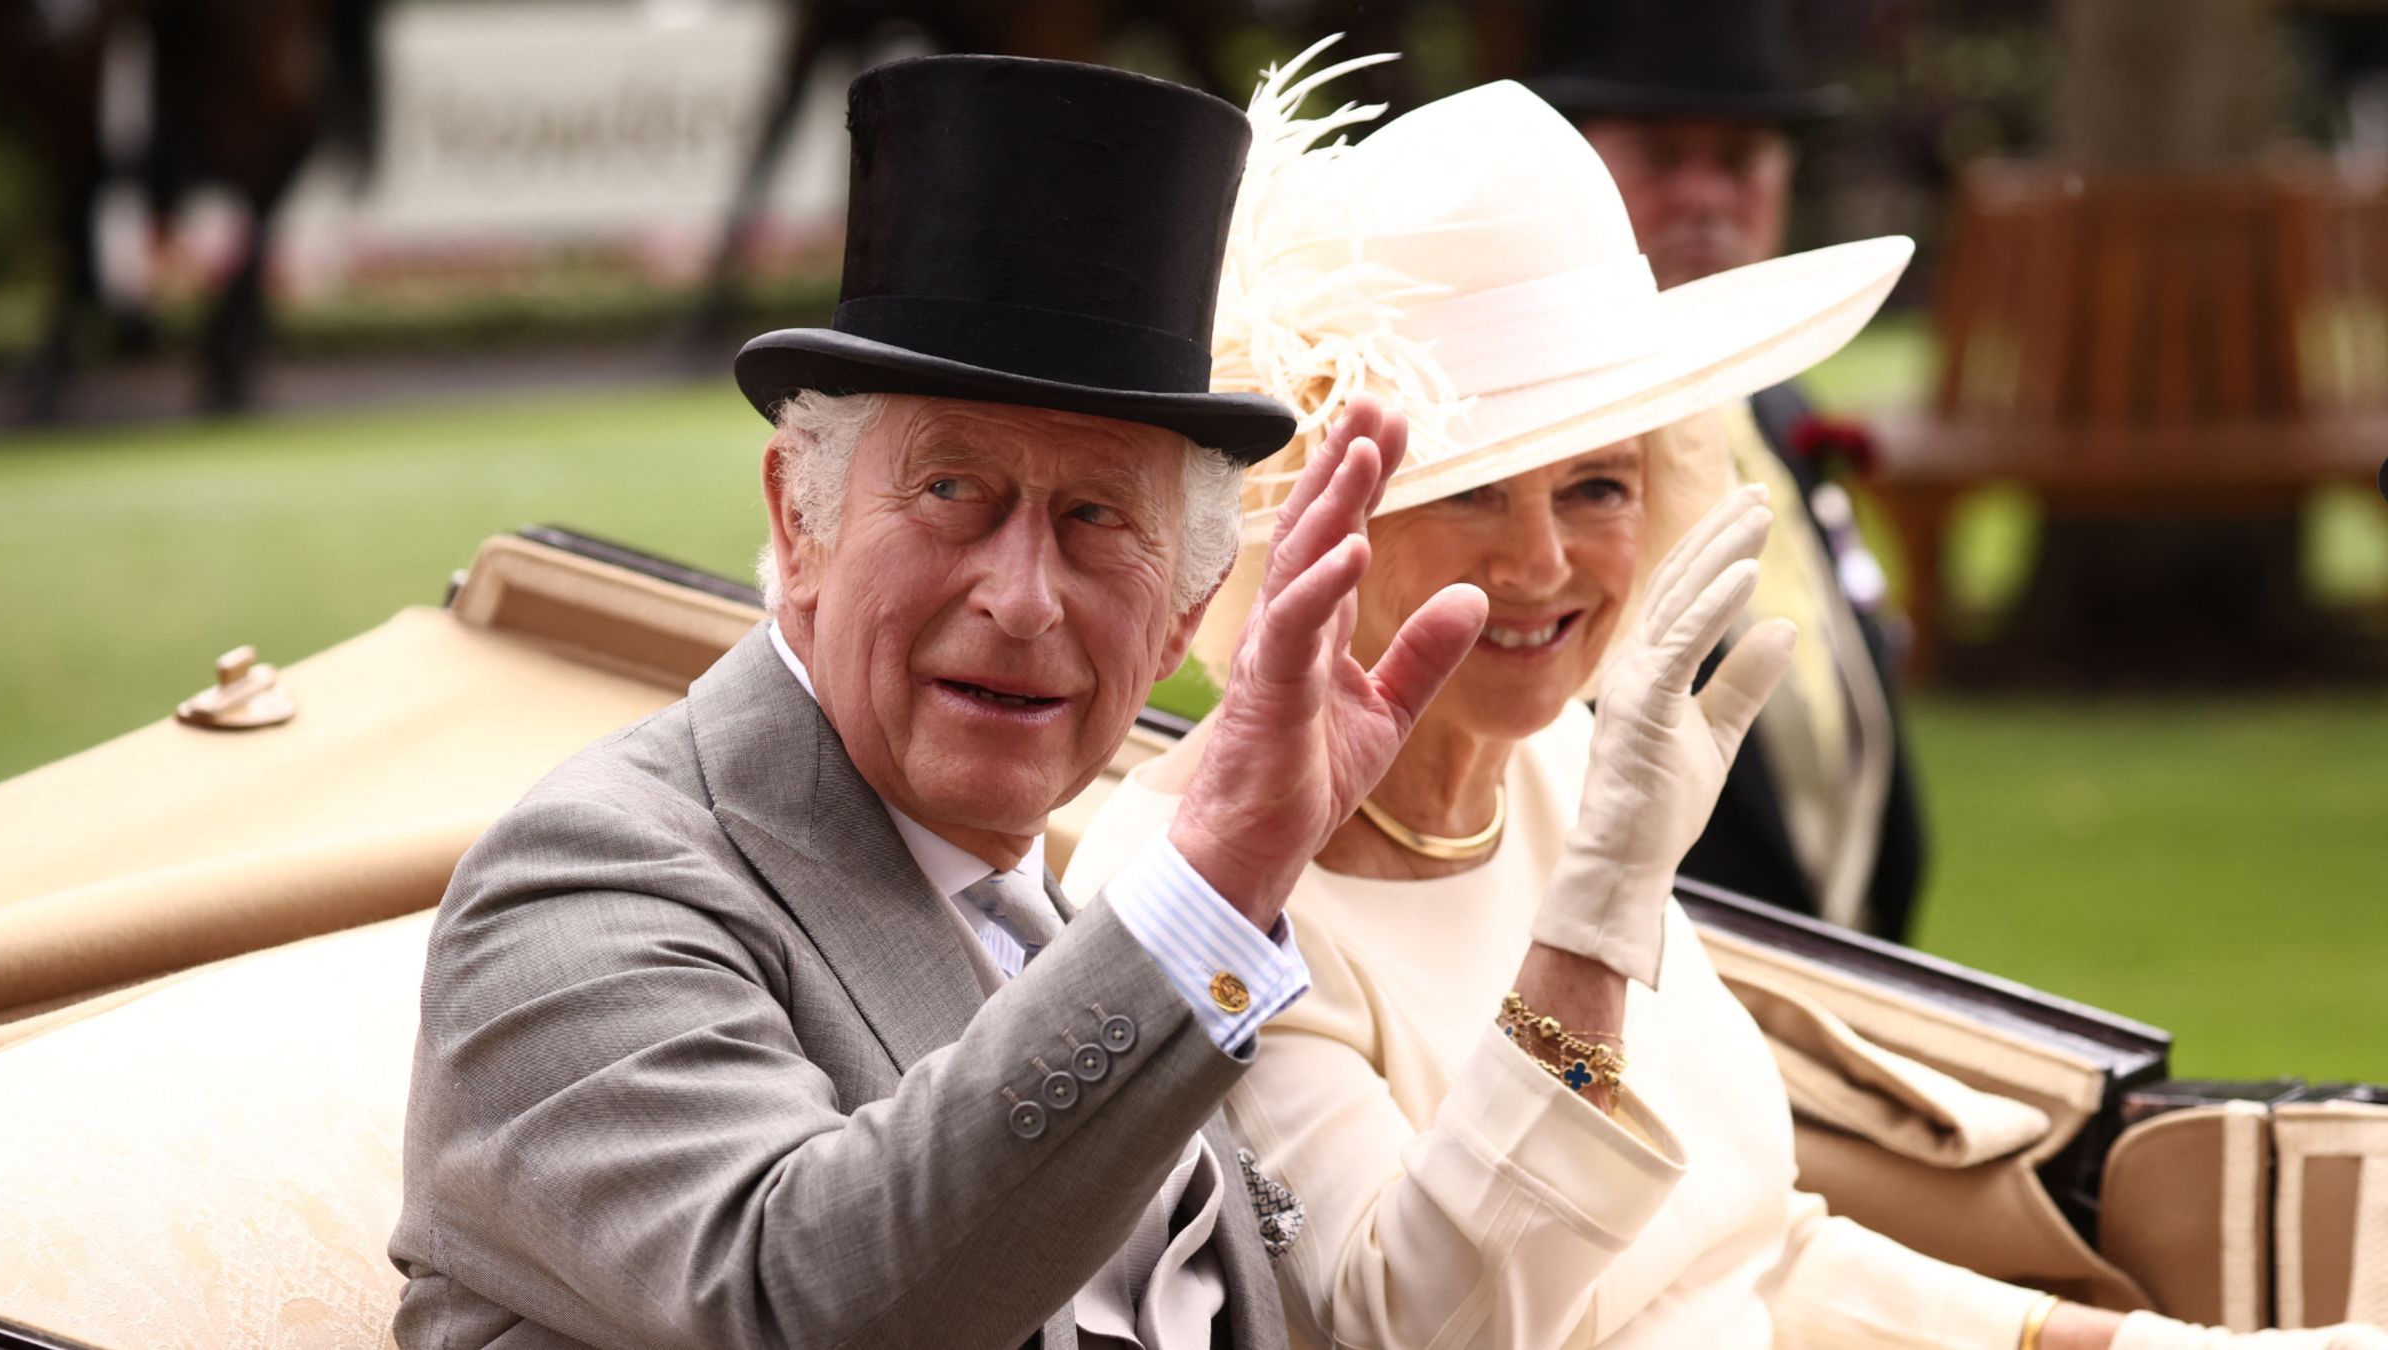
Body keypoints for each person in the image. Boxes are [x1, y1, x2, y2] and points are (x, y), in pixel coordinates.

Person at [1066, 66, 2387, 1350]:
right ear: (1321, 522)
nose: (1542, 565)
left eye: (1598, 486)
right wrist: (1592, 922)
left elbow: (1754, 1250)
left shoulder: (1566, 766)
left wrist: (2136, 1341)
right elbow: (1416, 1325)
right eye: (1473, 490)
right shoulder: (1197, 893)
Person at [388, 54, 1495, 1350]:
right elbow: (810, 1302)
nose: (1024, 597)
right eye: (952, 494)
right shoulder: (591, 880)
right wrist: (1216, 880)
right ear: (799, 526)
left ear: (1184, 618)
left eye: (1095, 519)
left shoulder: (1059, 920)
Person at [1529, 0, 1927, 941]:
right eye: (1664, 158)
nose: (1706, 196)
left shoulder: (1783, 409)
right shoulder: (1533, 449)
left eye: (1741, 159)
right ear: (1577, 172)